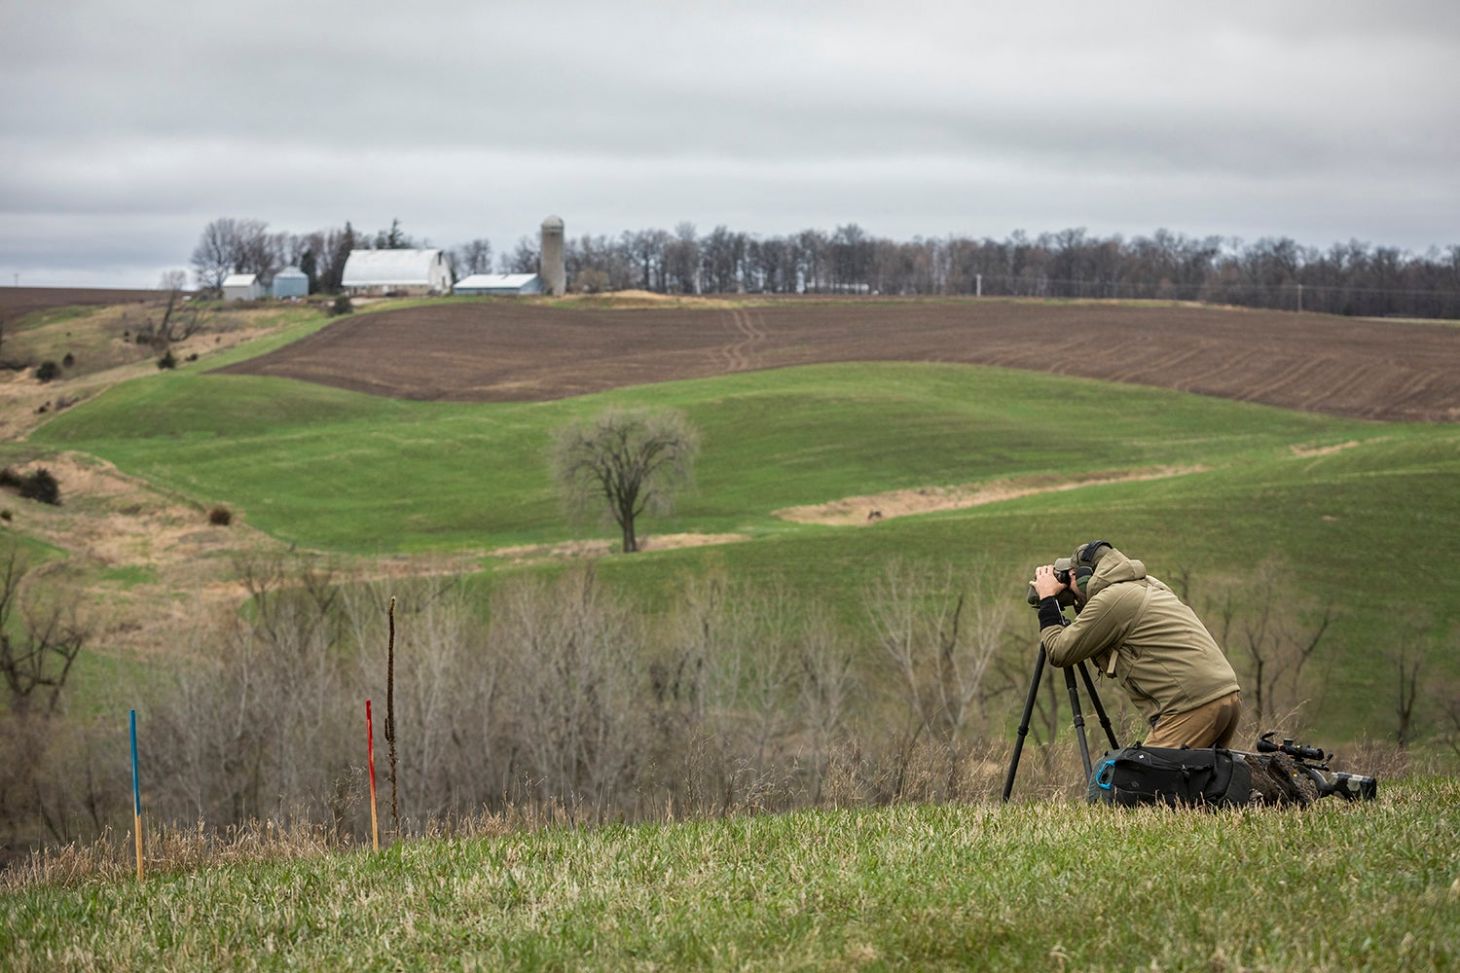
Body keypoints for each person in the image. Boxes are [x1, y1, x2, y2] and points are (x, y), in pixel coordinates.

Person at [1030, 540, 1242, 749]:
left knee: (1141, 781)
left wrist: (1048, 599)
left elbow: (1059, 651)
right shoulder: (1148, 584)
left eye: (1072, 575)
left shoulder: (1112, 600)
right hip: (1225, 695)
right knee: (1197, 782)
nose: (1068, 582)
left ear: (1087, 577)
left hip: (1190, 707)